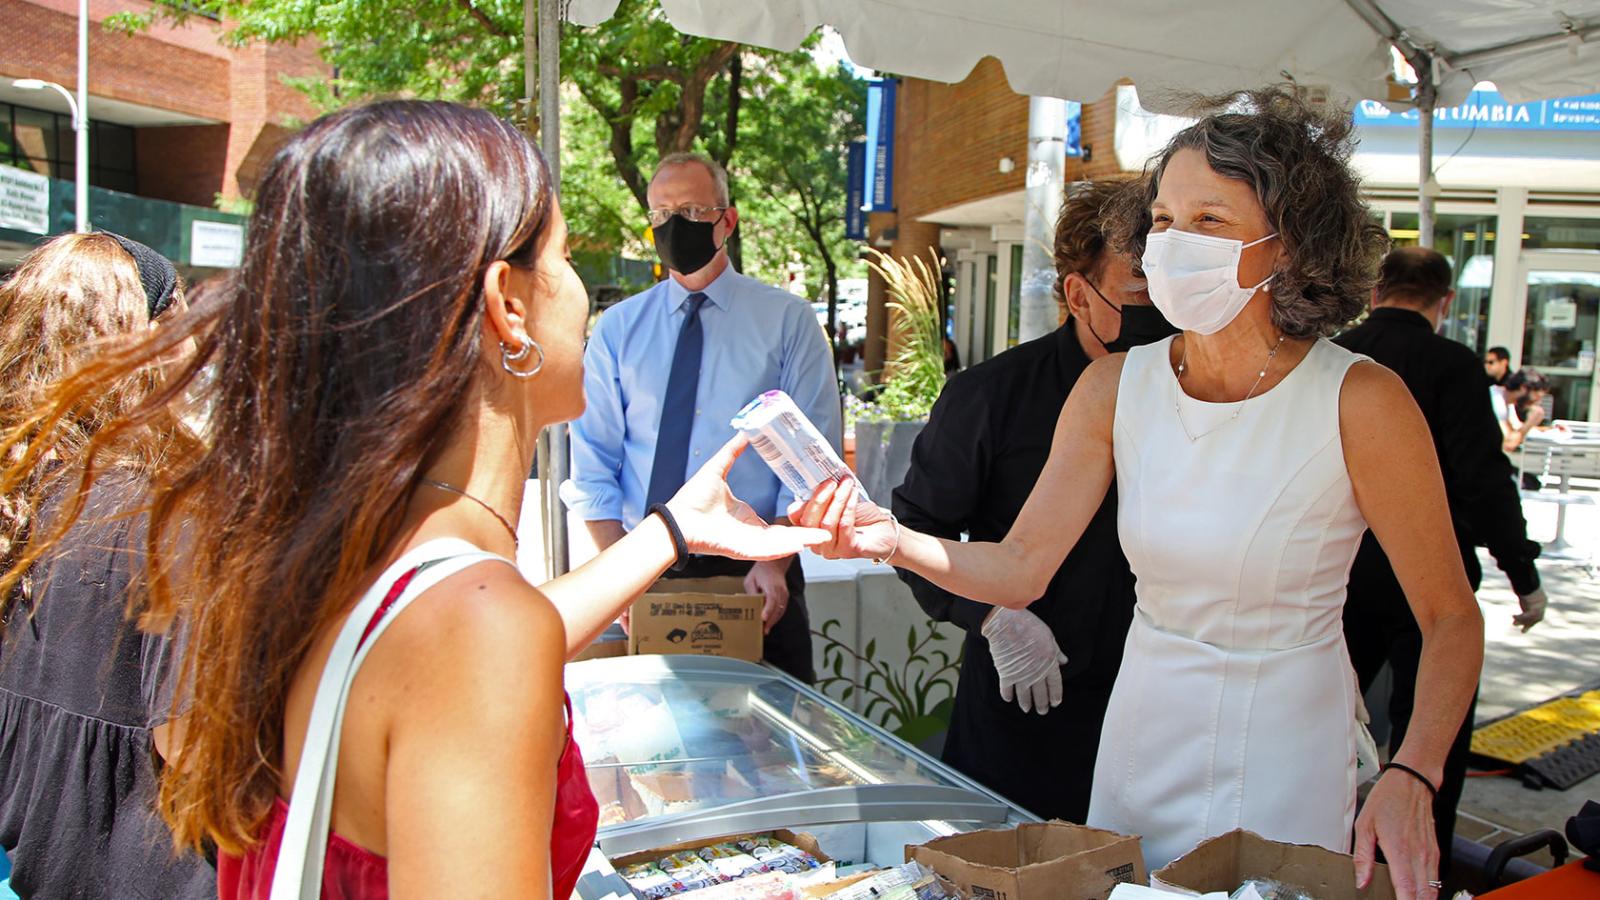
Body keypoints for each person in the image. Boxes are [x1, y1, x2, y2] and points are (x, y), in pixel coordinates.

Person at [0, 101, 825, 899]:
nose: (584, 291)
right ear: (509, 306)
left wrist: (673, 527)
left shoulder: (332, 554)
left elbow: (477, 635)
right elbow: (478, 647)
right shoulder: (471, 629)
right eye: (567, 257)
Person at [797, 88, 1483, 899]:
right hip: (1142, 729)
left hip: (1290, 742)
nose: (1172, 243)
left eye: (1209, 221)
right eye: (1161, 220)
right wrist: (889, 537)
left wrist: (1415, 771)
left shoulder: (1362, 399)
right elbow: (1021, 567)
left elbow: (1450, 616)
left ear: (1291, 246)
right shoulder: (1115, 388)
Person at [892, 179, 1174, 822]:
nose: (1161, 312)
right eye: (1140, 294)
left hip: (1158, 697)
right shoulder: (990, 397)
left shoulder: (1193, 394)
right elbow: (915, 526)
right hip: (1029, 696)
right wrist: (993, 616)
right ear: (1078, 293)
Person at [563, 152, 842, 682]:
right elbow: (594, 462)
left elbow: (811, 459)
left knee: (773, 748)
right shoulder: (618, 330)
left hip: (757, 571)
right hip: (642, 564)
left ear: (727, 221)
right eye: (662, 214)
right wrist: (619, 569)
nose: (675, 227)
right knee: (652, 749)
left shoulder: (787, 321)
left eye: (692, 212)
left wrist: (774, 561)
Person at [0, 233, 213, 899]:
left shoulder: (18, 495)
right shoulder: (169, 510)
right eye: (178, 320)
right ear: (144, 343)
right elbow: (193, 747)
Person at [1335, 246, 1546, 885]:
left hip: (1336, 575)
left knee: (1324, 728)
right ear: (1444, 301)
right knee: (1430, 748)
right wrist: (1522, 572)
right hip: (1429, 579)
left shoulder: (1335, 357)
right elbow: (1484, 479)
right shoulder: (1452, 364)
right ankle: (1420, 878)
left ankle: (1316, 859)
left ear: (1375, 293)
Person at [1497, 368, 1553, 487]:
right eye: (1535, 398)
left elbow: (1516, 430)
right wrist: (1530, 423)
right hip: (1478, 465)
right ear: (1523, 388)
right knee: (1525, 484)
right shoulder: (1497, 403)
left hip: (1492, 462)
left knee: (1533, 482)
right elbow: (1509, 444)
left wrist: (1550, 429)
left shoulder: (1508, 402)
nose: (1536, 403)